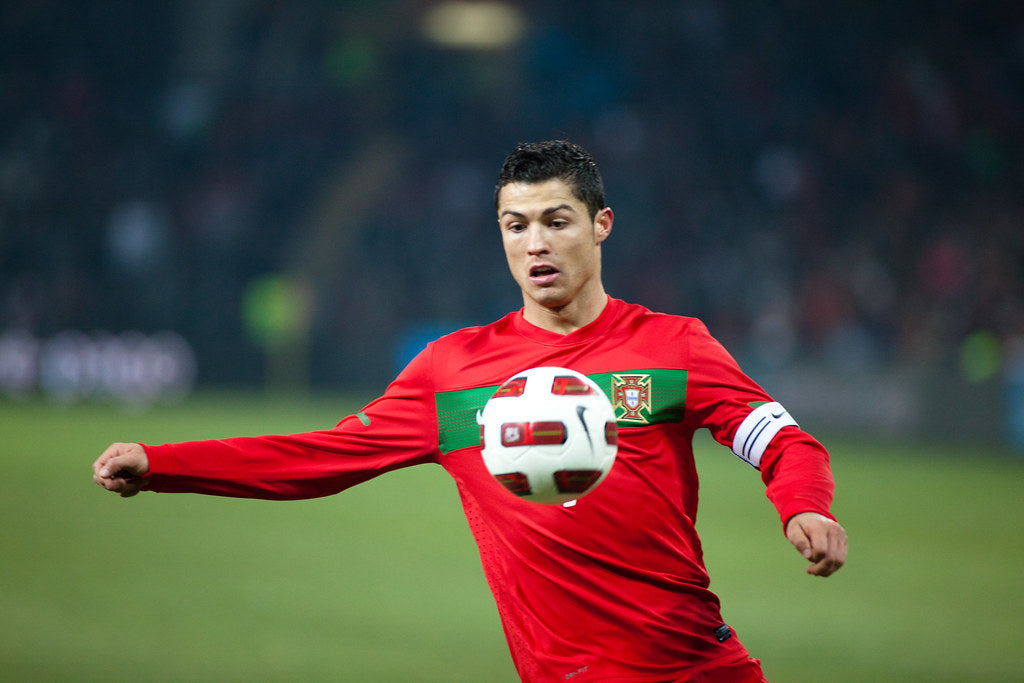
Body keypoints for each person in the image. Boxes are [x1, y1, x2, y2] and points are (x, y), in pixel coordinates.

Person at [94, 140, 848, 682]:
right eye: (515, 225)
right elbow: (316, 457)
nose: (535, 243)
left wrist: (802, 507)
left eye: (557, 220)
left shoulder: (671, 349)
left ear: (602, 225)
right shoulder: (452, 379)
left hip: (693, 667)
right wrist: (163, 464)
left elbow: (781, 439)